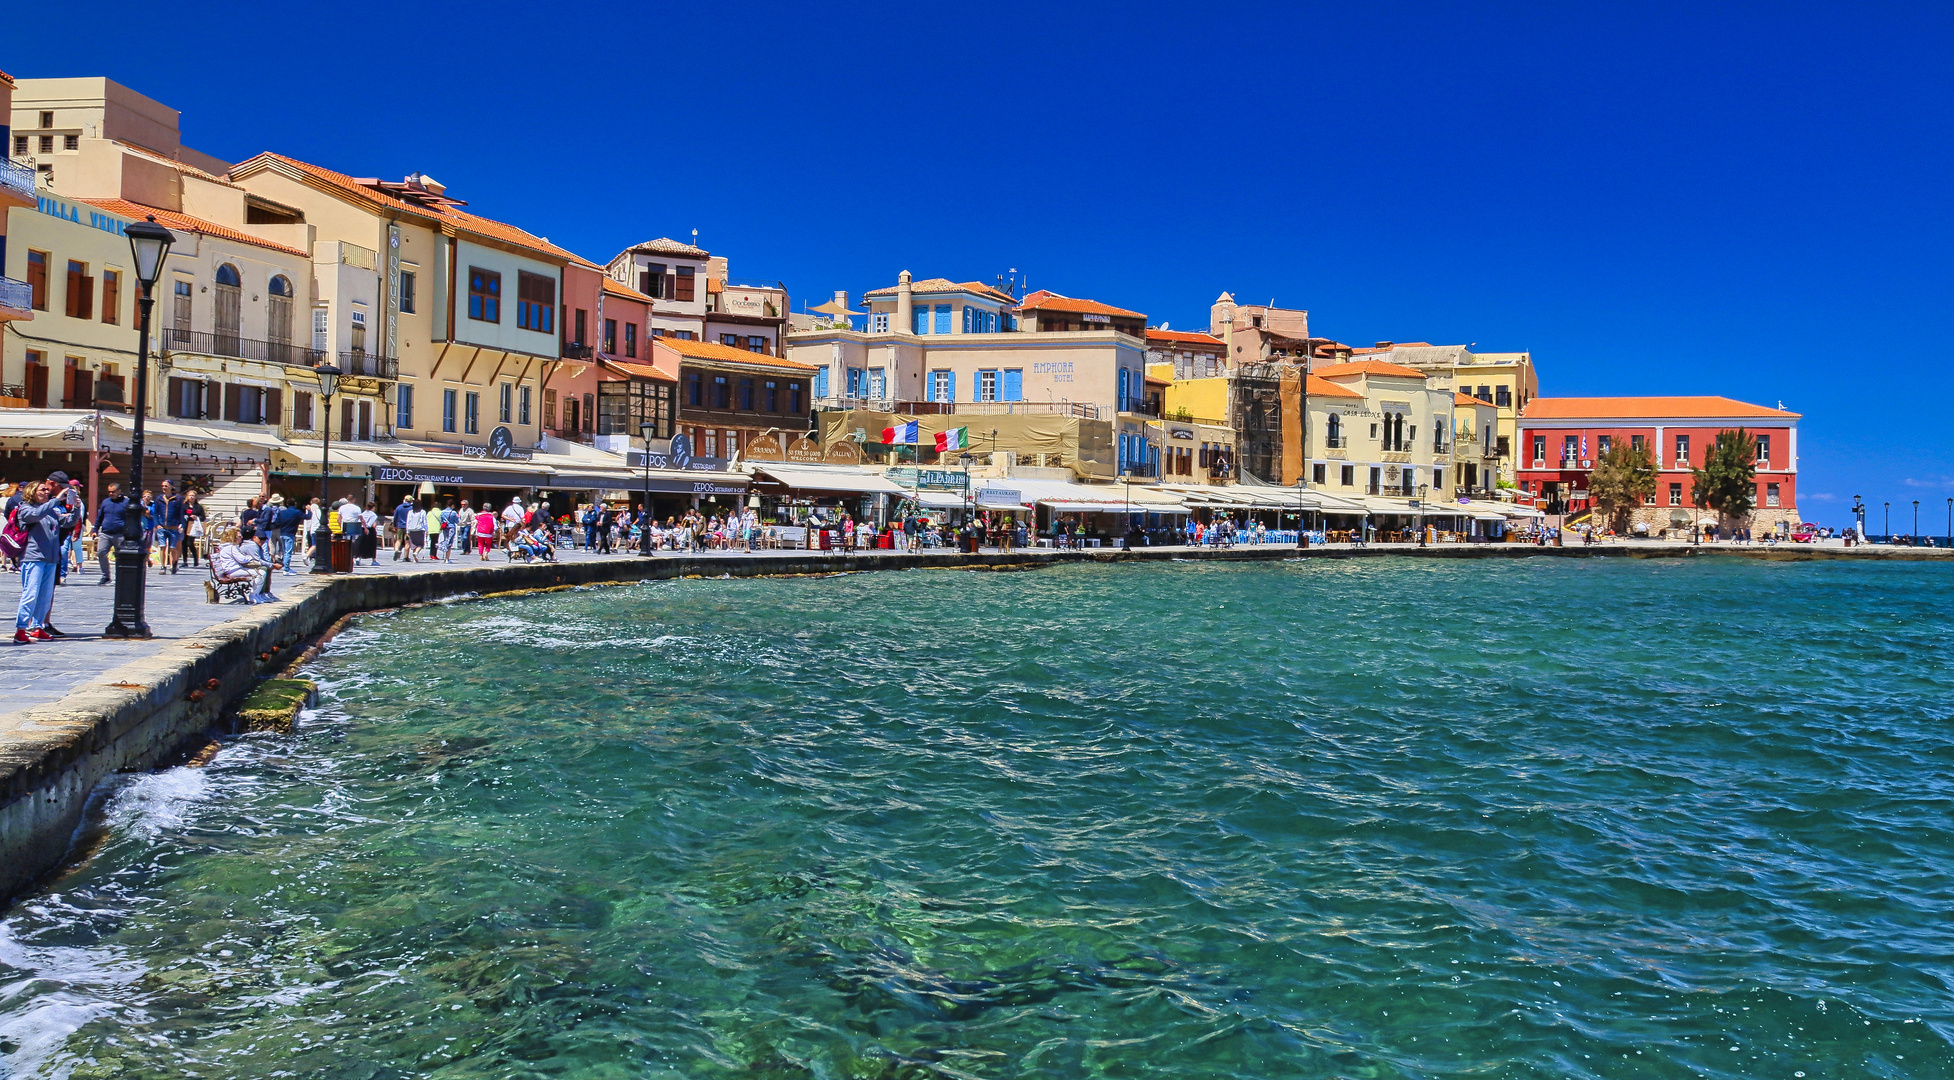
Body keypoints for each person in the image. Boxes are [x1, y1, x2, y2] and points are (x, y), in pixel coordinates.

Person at [12, 473, 79, 643]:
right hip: (33, 557)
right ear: (32, 492)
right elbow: (36, 515)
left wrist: (76, 508)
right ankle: (21, 629)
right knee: (31, 593)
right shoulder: (25, 508)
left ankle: (37, 627)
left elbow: (68, 522)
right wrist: (56, 499)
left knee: (45, 595)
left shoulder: (51, 511)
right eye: (42, 490)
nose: (46, 492)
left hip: (50, 558)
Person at [92, 483, 129, 585]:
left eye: (113, 491)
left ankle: (121, 576)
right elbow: (100, 517)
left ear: (119, 491)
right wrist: (95, 529)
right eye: (109, 492)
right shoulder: (105, 502)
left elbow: (130, 518)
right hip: (105, 533)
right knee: (101, 552)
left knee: (120, 557)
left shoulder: (126, 502)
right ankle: (106, 576)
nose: (111, 493)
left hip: (120, 534)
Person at [153, 481, 185, 575]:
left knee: (172, 548)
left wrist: (182, 525)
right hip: (162, 527)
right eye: (162, 486)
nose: (164, 487)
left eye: (166, 486)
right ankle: (163, 566)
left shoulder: (177, 499)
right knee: (162, 547)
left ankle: (173, 564)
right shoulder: (159, 499)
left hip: (173, 527)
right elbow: (155, 513)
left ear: (171, 487)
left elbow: (181, 513)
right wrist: (157, 524)